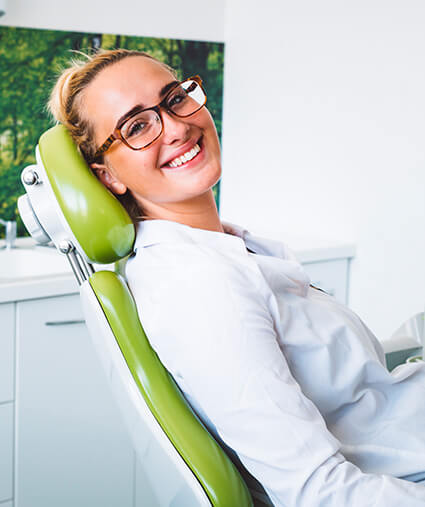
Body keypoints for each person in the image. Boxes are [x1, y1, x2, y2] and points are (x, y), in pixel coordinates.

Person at [48, 48, 425, 506]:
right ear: (108, 178)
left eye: (174, 98)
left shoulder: (218, 249)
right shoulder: (199, 287)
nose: (177, 126)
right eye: (137, 126)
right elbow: (319, 492)